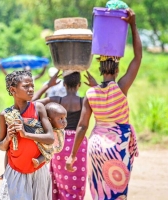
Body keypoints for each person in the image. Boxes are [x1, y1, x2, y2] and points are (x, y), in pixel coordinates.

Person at [66, 8, 142, 200]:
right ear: (117, 70)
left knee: (100, 192)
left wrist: (72, 155)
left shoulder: (91, 93)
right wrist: (133, 25)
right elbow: (138, 57)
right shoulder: (121, 87)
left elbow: (83, 126)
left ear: (100, 68)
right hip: (118, 145)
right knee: (117, 191)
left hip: (97, 146)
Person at [32, 70, 96, 200]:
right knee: (76, 183)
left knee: (59, 182)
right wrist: (95, 87)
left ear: (64, 85)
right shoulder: (84, 101)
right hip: (79, 145)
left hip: (59, 142)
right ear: (79, 84)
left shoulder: (57, 100)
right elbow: (105, 101)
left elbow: (32, 104)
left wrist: (48, 85)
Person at [0, 70, 54, 200]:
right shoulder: (5, 114)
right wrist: (8, 138)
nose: (31, 89)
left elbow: (50, 138)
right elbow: (1, 146)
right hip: (15, 170)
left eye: (32, 86)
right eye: (26, 86)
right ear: (13, 90)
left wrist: (25, 134)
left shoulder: (38, 108)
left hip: (38, 169)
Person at [0, 102, 67, 179]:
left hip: (39, 163)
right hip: (16, 165)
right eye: (61, 118)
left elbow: (52, 147)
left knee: (49, 151)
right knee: (9, 151)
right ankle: (6, 172)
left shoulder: (57, 132)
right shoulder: (38, 125)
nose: (64, 121)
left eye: (65, 118)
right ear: (49, 120)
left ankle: (38, 161)